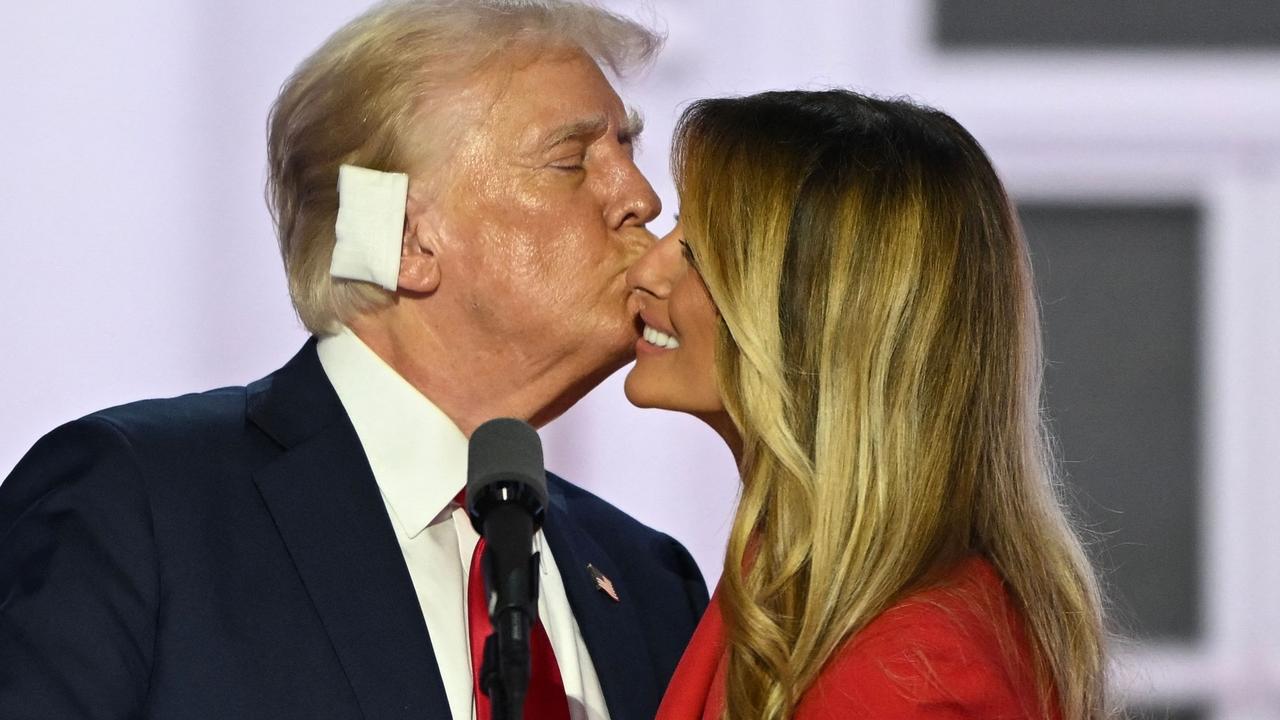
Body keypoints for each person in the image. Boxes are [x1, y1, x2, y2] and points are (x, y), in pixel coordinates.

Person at [0, 2, 708, 719]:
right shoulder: (136, 506)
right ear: (407, 243)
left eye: (628, 150)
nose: (642, 198)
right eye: (570, 161)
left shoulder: (651, 584)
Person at [625, 90, 1110, 719]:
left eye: (695, 249)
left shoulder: (917, 677)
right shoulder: (792, 588)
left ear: (820, 315)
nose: (647, 267)